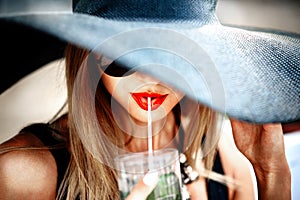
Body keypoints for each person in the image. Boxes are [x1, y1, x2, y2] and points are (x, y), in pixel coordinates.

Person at [0, 0, 296, 199]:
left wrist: (272, 173)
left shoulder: (222, 148)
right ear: (88, 52)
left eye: (174, 56)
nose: (152, 78)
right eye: (126, 52)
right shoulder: (22, 172)